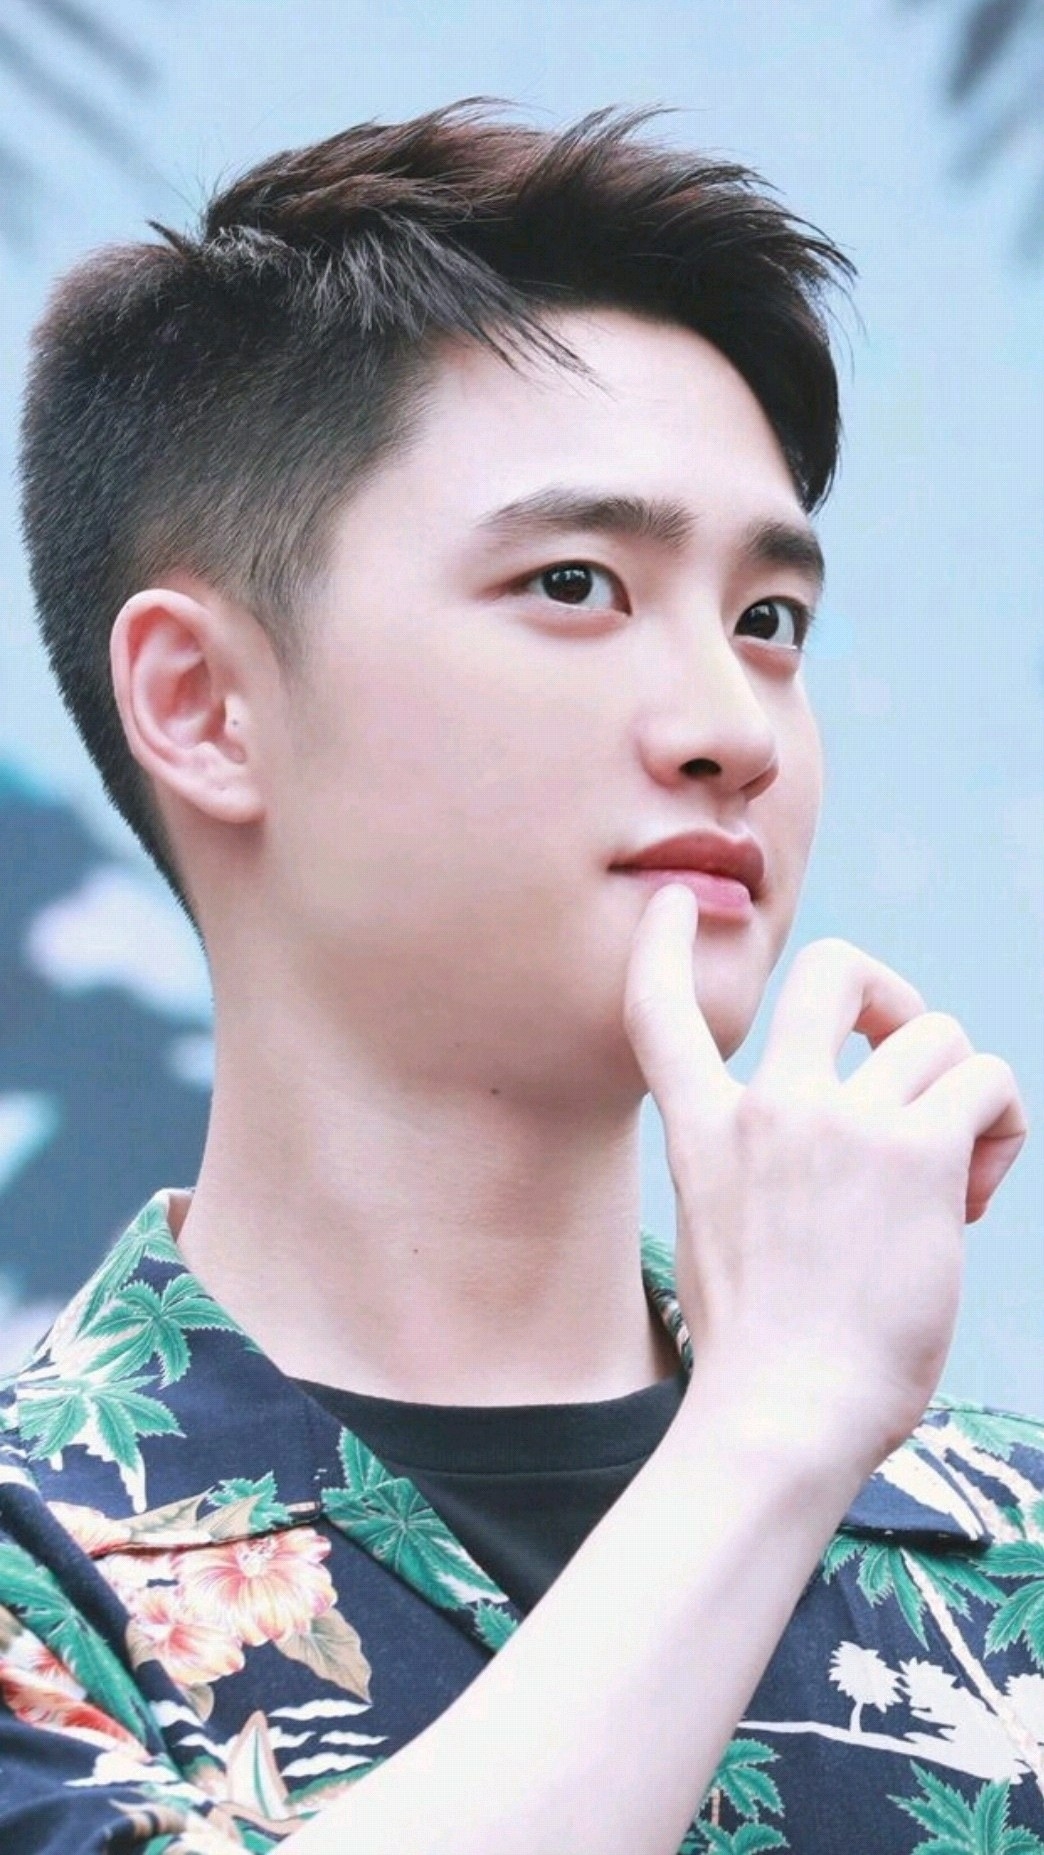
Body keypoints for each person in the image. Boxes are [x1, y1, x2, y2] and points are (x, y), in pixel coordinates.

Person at [2, 96, 1041, 1855]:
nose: (731, 729)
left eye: (768, 622)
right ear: (203, 703)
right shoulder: (42, 1577)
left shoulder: (1008, 1559)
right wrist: (768, 1432)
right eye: (576, 583)